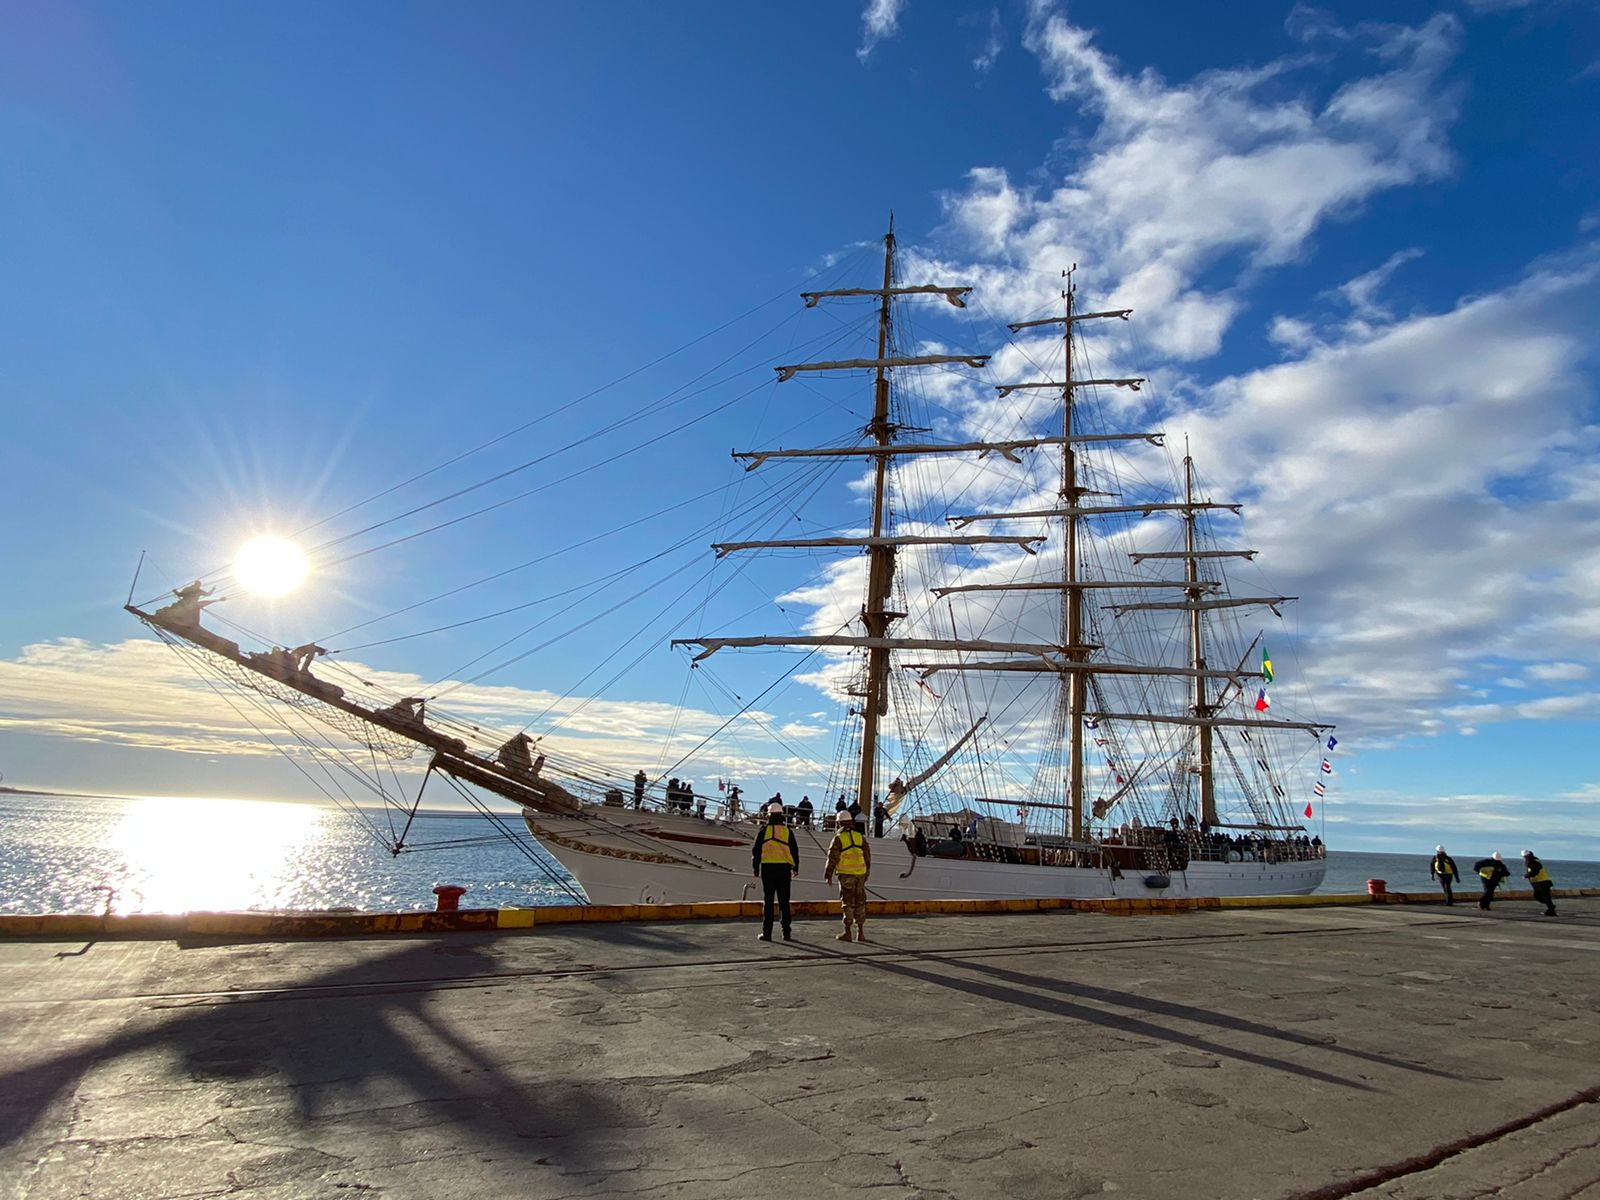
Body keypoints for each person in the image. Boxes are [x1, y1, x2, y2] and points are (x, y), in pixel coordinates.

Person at [751, 801, 799, 941]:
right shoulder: (786, 831)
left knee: (769, 901)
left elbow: (756, 851)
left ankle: (767, 933)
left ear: (769, 815)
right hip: (784, 869)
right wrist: (796, 867)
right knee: (784, 901)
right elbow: (794, 850)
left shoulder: (764, 831)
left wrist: (755, 867)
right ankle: (786, 933)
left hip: (768, 868)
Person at [824, 809, 872, 943]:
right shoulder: (859, 837)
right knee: (860, 903)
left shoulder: (839, 838)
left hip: (846, 875)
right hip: (860, 875)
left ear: (839, 823)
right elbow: (867, 856)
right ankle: (861, 933)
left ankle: (848, 932)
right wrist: (867, 872)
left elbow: (832, 857)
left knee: (848, 903)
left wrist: (828, 875)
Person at [1522, 850, 1557, 916]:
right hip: (1542, 882)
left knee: (1542, 896)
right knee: (1541, 896)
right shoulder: (1534, 861)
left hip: (1541, 882)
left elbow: (1535, 872)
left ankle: (1551, 909)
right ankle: (1551, 907)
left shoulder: (1532, 862)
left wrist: (1526, 876)